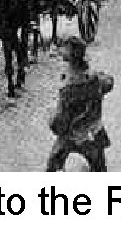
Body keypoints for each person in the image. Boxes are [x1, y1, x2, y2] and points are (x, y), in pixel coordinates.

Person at [46, 36, 113, 172]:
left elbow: (59, 121)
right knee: (100, 167)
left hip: (71, 137)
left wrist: (51, 120)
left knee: (52, 164)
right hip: (95, 132)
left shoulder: (68, 89)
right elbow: (109, 83)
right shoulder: (96, 79)